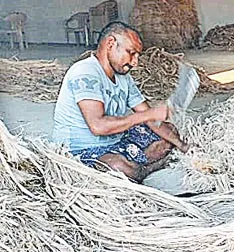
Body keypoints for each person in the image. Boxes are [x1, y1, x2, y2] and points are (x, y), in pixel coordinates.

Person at [53, 21, 190, 182]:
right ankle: (144, 166)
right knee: (120, 167)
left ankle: (140, 168)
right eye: (131, 53)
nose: (135, 62)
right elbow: (98, 126)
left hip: (117, 140)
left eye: (137, 55)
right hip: (80, 149)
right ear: (110, 43)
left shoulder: (124, 78)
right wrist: (148, 115)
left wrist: (184, 147)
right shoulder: (85, 72)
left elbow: (152, 119)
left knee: (169, 133)